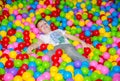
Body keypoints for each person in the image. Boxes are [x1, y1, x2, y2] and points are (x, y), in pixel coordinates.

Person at [27, 20, 91, 63]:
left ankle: (86, 63)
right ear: (40, 30)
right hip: (53, 49)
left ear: (48, 24)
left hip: (65, 45)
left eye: (45, 23)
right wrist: (31, 47)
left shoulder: (58, 30)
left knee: (69, 50)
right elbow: (37, 43)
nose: (44, 25)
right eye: (41, 26)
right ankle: (47, 74)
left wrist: (82, 42)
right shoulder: (42, 37)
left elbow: (70, 36)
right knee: (48, 56)